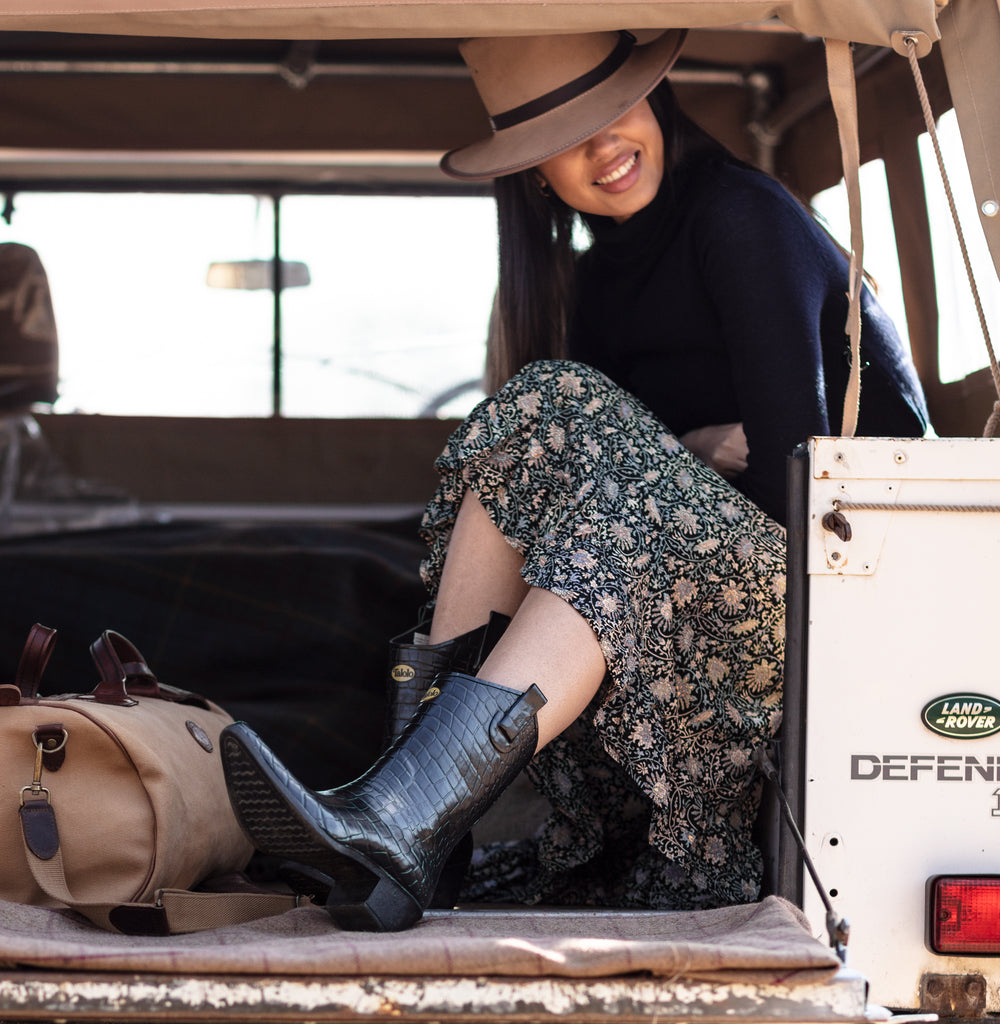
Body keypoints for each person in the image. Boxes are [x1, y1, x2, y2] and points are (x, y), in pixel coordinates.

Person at [220, 29, 929, 932]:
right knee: (542, 428)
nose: (601, 146)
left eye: (613, 107)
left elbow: (808, 481)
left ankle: (408, 818)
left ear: (657, 96)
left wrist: (666, 464)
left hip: (830, 607)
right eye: (561, 136)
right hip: (672, 613)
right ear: (532, 173)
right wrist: (690, 449)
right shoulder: (598, 282)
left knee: (557, 407)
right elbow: (593, 484)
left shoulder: (739, 217)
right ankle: (408, 832)